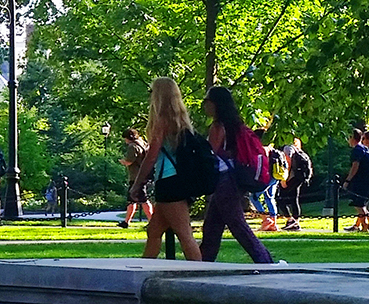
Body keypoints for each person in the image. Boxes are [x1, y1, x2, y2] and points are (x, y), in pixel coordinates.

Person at [129, 77, 202, 260]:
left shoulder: (162, 121)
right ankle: (145, 269)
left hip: (170, 182)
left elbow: (151, 156)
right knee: (154, 231)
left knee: (185, 235)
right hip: (175, 181)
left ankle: (200, 273)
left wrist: (137, 184)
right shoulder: (180, 121)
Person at [198, 86, 273, 263]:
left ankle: (265, 261)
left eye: (207, 101)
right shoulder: (236, 126)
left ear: (216, 104)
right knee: (212, 227)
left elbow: (211, 154)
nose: (204, 105)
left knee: (237, 224)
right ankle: (202, 262)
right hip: (233, 179)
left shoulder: (217, 127)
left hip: (225, 181)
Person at [118, 128, 152, 228]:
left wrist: (123, 162)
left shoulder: (132, 146)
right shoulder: (142, 143)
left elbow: (129, 161)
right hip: (143, 175)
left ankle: (153, 221)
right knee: (131, 200)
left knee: (143, 200)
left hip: (136, 177)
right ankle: (126, 222)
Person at [278, 139, 310, 231]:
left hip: (291, 178)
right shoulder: (297, 149)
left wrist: (284, 179)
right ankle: (295, 222)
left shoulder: (287, 148)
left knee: (280, 199)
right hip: (298, 178)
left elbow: (288, 162)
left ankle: (291, 220)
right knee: (294, 200)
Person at [342, 129, 369, 232]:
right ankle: (363, 225)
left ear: (352, 138)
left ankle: (365, 227)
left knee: (359, 204)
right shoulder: (364, 149)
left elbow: (355, 166)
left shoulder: (357, 150)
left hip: (361, 180)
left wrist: (348, 180)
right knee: (360, 203)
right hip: (365, 179)